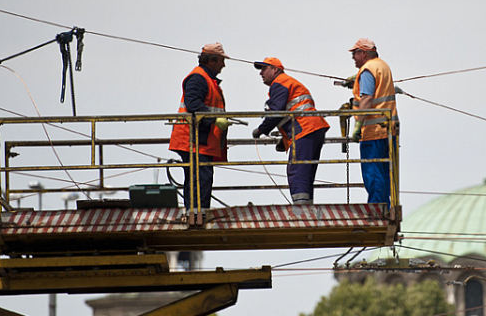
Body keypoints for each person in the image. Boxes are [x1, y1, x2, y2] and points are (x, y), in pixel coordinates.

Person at [251, 57, 329, 204]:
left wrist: (261, 130)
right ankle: (306, 203)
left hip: (304, 128)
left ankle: (301, 208)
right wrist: (285, 139)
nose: (261, 73)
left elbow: (277, 112)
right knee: (306, 170)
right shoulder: (287, 82)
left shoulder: (280, 83)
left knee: (298, 169)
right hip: (312, 128)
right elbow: (289, 111)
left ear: (275, 69)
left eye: (264, 69)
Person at [169, 43, 232, 211]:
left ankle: (196, 211)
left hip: (198, 138)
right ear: (211, 61)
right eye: (221, 61)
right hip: (194, 139)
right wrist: (215, 119)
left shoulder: (206, 79)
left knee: (198, 177)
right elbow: (193, 103)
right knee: (201, 177)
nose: (223, 65)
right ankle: (198, 213)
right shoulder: (198, 78)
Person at [348, 38, 399, 206]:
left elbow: (367, 98)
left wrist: (357, 126)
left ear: (364, 53)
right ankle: (384, 205)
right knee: (385, 172)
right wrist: (357, 78)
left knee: (374, 173)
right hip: (388, 130)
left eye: (355, 53)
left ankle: (377, 208)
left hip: (373, 132)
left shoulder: (367, 70)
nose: (353, 57)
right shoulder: (382, 66)